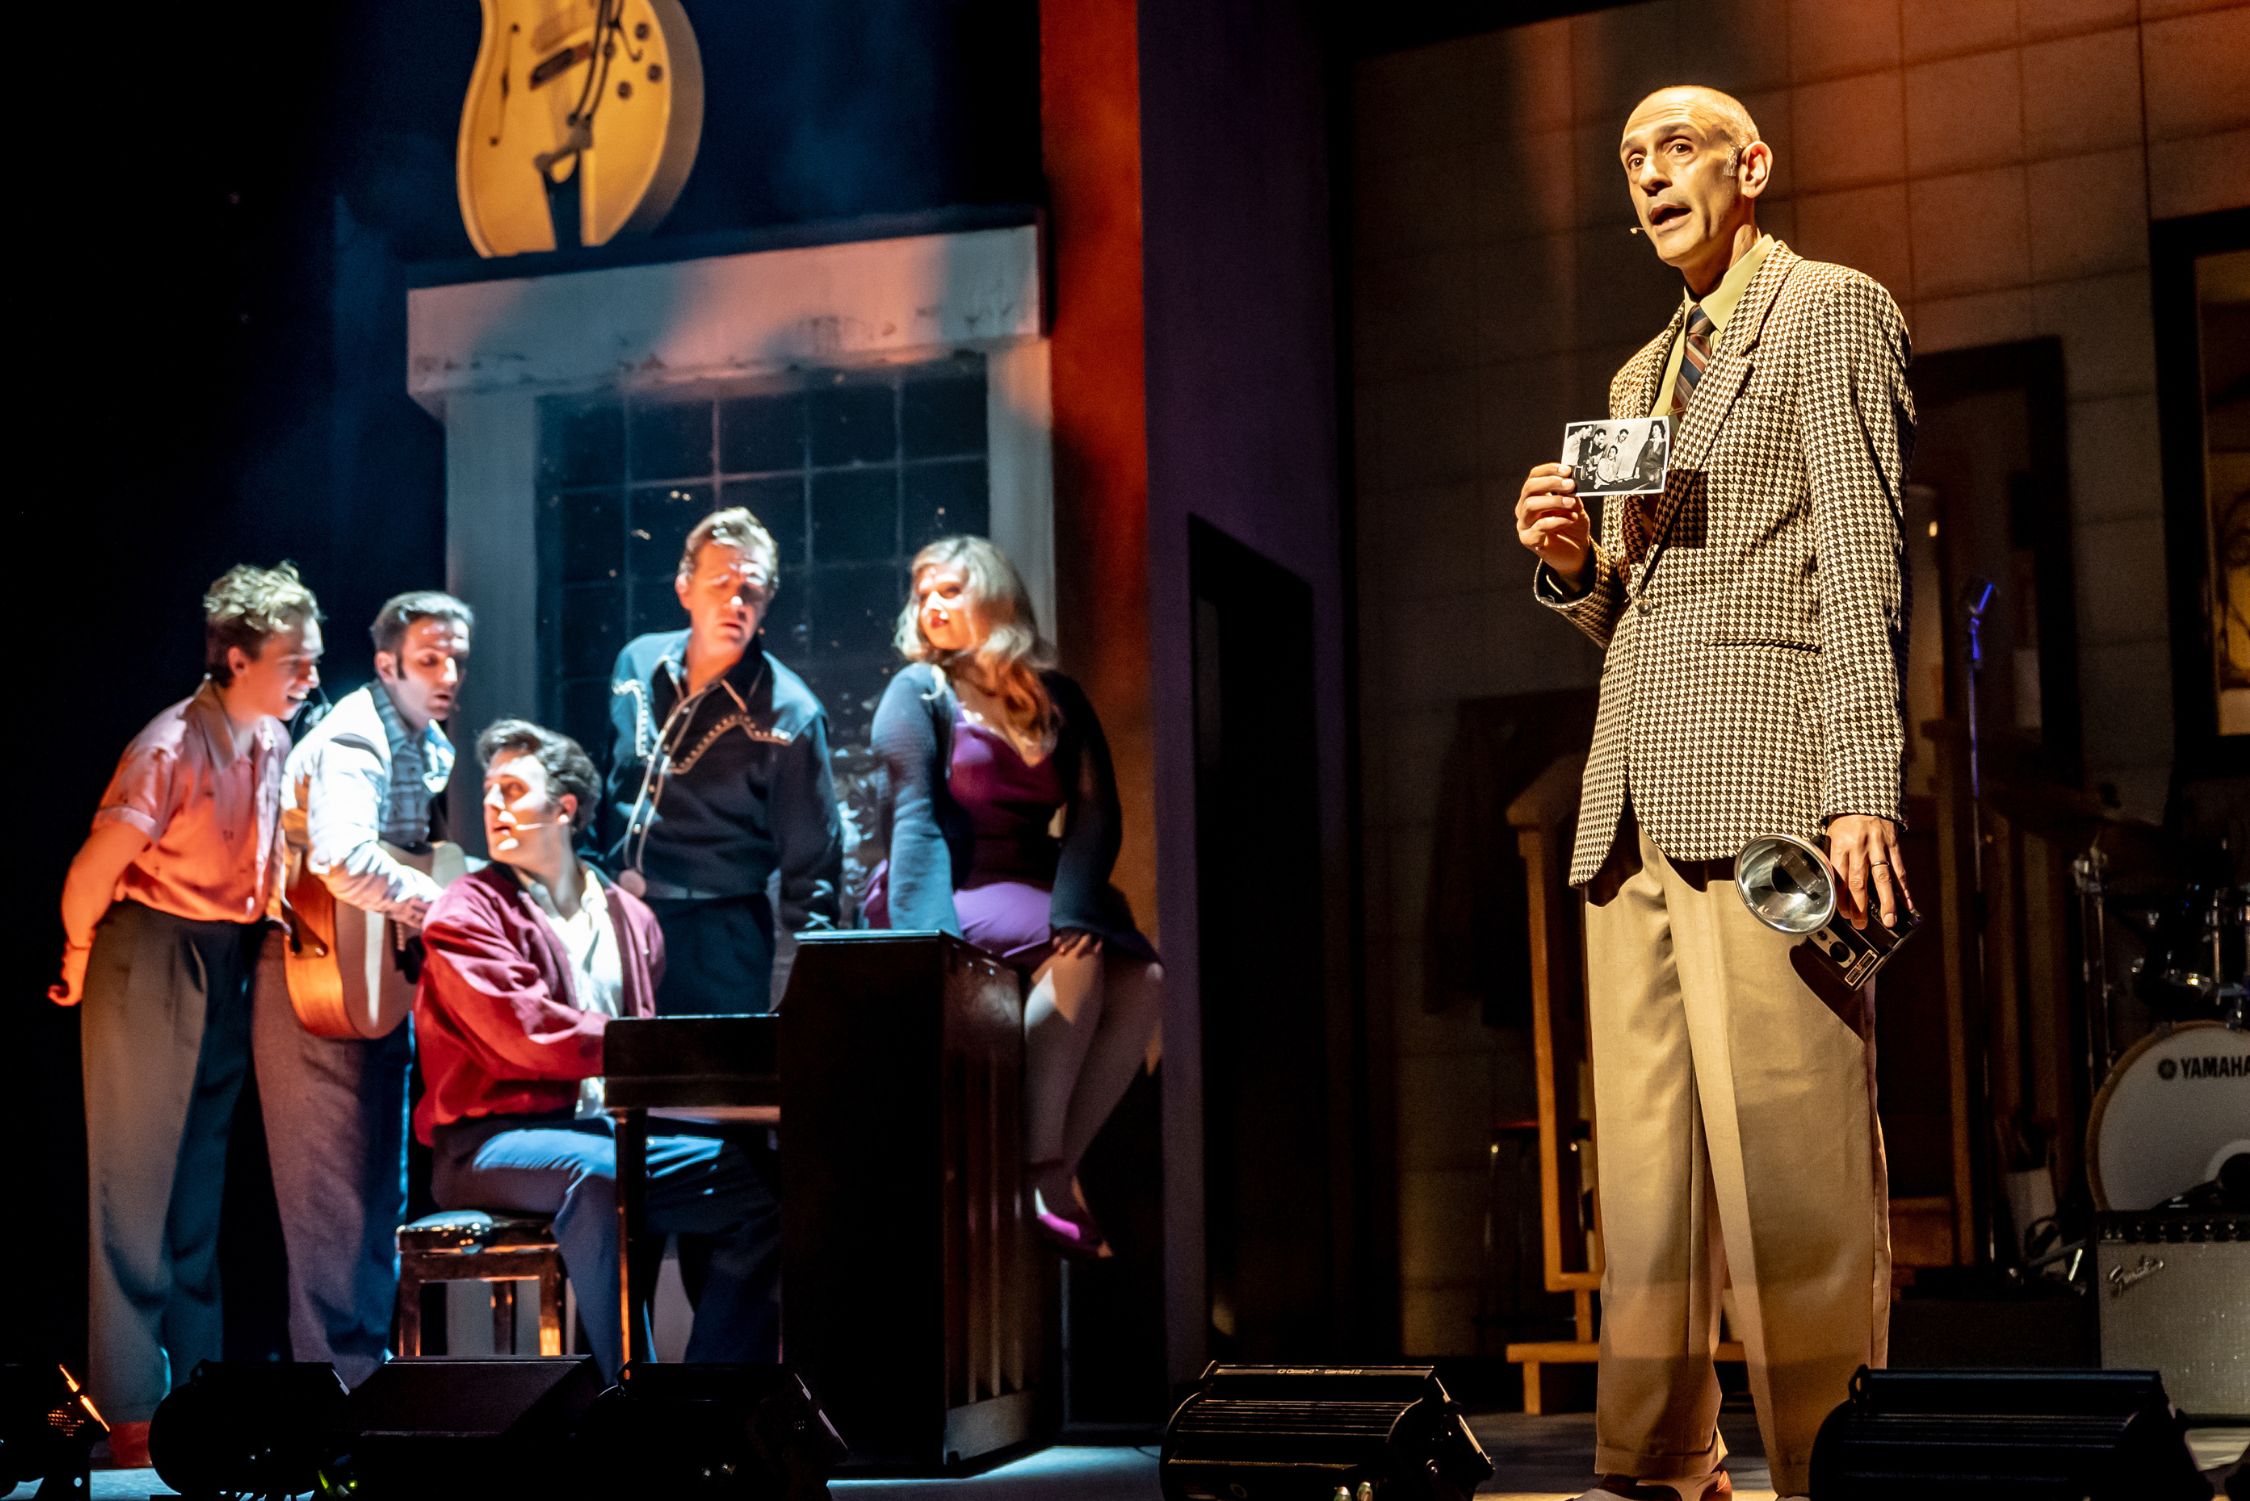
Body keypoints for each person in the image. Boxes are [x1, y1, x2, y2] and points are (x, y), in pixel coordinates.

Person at [1512, 85, 1913, 1501]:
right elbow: (1637, 611)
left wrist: (1862, 789)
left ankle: (1825, 1464)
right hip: (1629, 801)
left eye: (1676, 148)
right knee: (1643, 1177)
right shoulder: (1637, 378)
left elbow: (1860, 563)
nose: (1649, 175)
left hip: (1769, 797)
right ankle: (1656, 1460)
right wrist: (1571, 564)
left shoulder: (1828, 310)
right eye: (1631, 158)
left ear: (1751, 166)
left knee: (1794, 1164)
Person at [52, 563, 324, 1460]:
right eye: (294, 659)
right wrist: (78, 957)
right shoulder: (170, 744)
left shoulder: (271, 738)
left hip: (223, 956)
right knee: (133, 1194)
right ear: (238, 658)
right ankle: (130, 1408)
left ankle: (196, 1407)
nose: (310, 676)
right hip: (147, 948)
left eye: (314, 659)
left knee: (197, 1201)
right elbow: (93, 870)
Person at [414, 719, 783, 1379]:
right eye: (489, 789)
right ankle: (627, 1394)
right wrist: (644, 1049)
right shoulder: (466, 910)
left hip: (605, 1131)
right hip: (486, 1143)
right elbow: (521, 1033)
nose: (492, 804)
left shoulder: (632, 918)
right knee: (603, 1178)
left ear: (565, 807)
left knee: (759, 1185)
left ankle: (714, 1395)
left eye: (512, 789)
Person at [864, 536, 1163, 1258]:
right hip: (946, 880)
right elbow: (914, 819)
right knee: (1082, 960)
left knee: (1145, 979)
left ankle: (1047, 1161)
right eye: (923, 594)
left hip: (1032, 877)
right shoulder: (919, 692)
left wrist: (1077, 904)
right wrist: (930, 940)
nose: (932, 606)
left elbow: (1096, 812)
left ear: (993, 596)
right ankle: (1041, 1172)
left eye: (950, 590)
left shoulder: (1054, 696)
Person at [250, 590, 473, 1385]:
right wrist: (438, 905)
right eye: (429, 660)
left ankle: (369, 1387)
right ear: (387, 664)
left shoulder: (427, 743)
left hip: (371, 977)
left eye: (456, 660)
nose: (447, 675)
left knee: (379, 1198)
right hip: (315, 974)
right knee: (331, 1210)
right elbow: (341, 858)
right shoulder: (356, 736)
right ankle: (337, 1404)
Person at [605, 507, 842, 1015]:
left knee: (709, 1069)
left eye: (751, 590)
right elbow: (610, 781)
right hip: (616, 920)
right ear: (684, 589)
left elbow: (813, 869)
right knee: (611, 1064)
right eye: (720, 584)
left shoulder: (791, 715)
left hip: (716, 940)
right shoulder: (636, 663)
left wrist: (810, 995)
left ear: (767, 601)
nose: (737, 603)